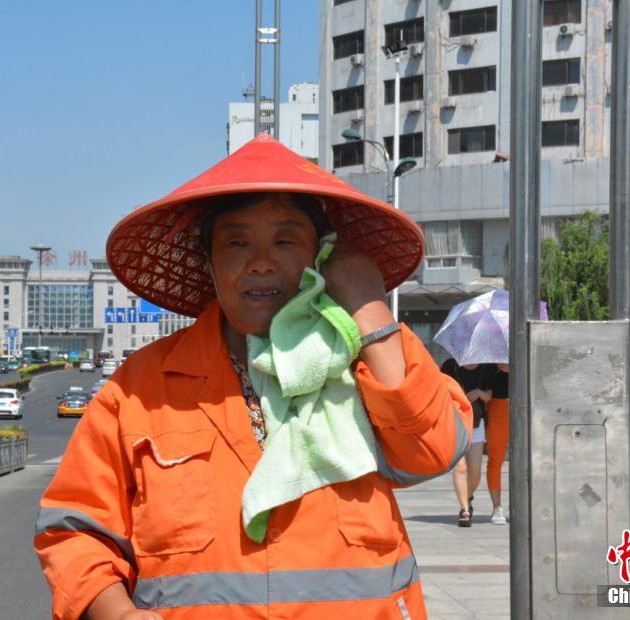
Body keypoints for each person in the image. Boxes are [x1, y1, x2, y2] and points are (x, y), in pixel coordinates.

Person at [33, 134, 472, 619]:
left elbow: (433, 451)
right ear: (211, 263)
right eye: (237, 242)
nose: (261, 262)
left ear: (320, 256)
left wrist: (369, 311)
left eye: (285, 240)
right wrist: (116, 612)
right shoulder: (139, 388)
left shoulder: (364, 357)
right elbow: (74, 528)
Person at [439, 358, 489, 527]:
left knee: (475, 472)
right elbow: (439, 389)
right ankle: (464, 509)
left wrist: (480, 393)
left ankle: (467, 497)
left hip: (476, 423)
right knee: (460, 467)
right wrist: (455, 393)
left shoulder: (485, 367)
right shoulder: (449, 365)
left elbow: (489, 395)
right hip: (455, 423)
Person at [482, 363, 510, 524]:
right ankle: (497, 507)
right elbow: (487, 392)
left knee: (529, 460)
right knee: (495, 460)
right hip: (498, 409)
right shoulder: (490, 366)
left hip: (526, 407)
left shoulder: (525, 360)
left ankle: (529, 504)